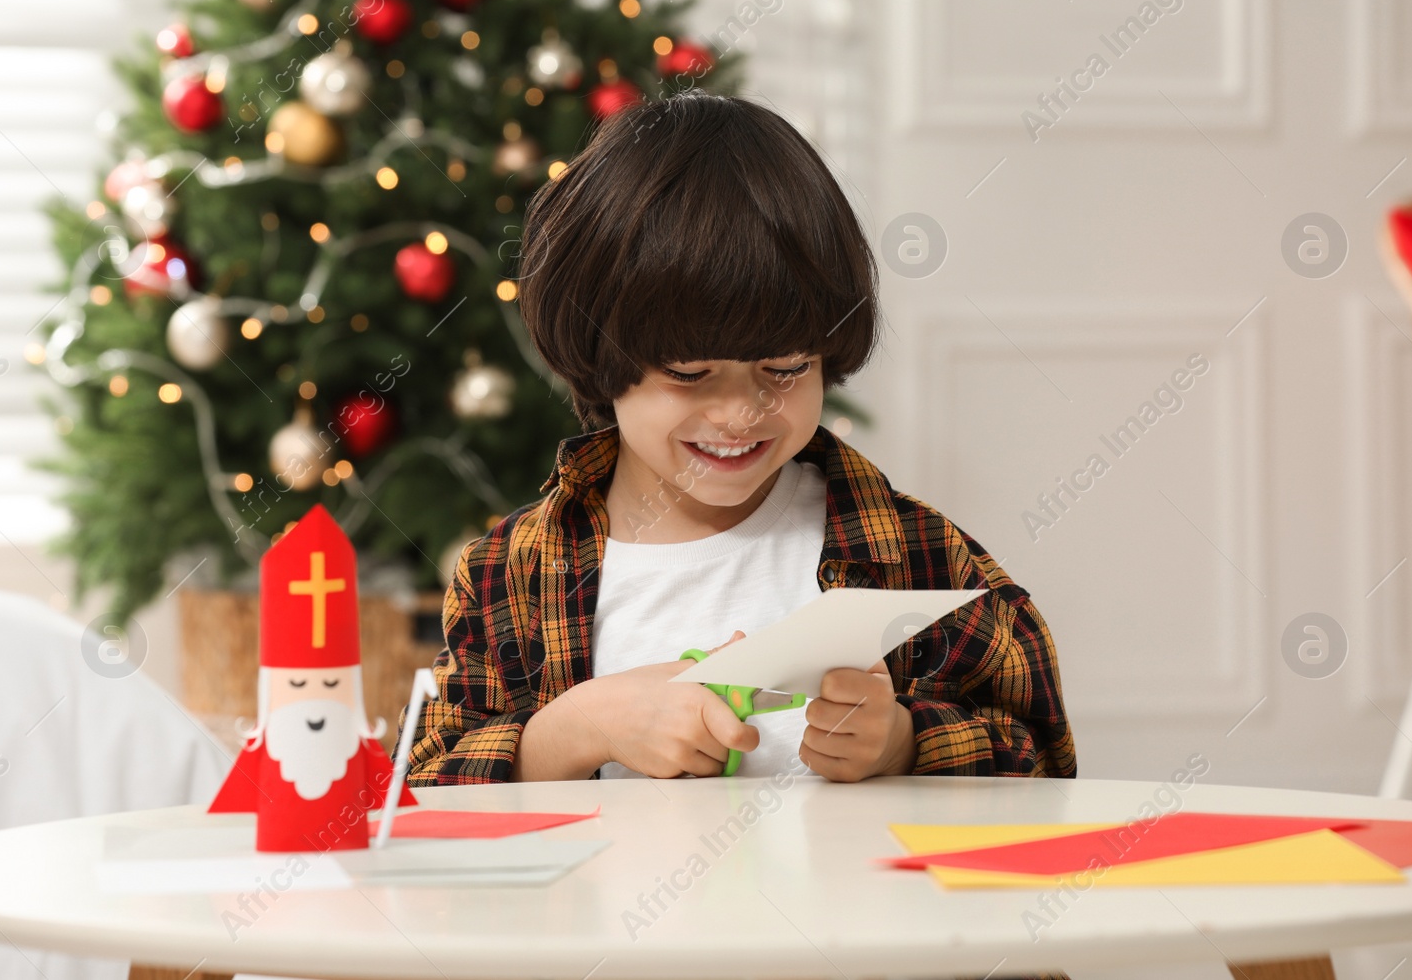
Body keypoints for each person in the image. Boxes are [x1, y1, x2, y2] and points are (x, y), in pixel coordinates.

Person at [404, 90, 1074, 786]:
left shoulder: (912, 552)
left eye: (784, 369)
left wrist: (905, 741)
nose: (741, 413)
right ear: (603, 361)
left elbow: (1045, 758)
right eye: (691, 373)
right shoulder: (510, 574)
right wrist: (579, 728)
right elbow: (419, 796)